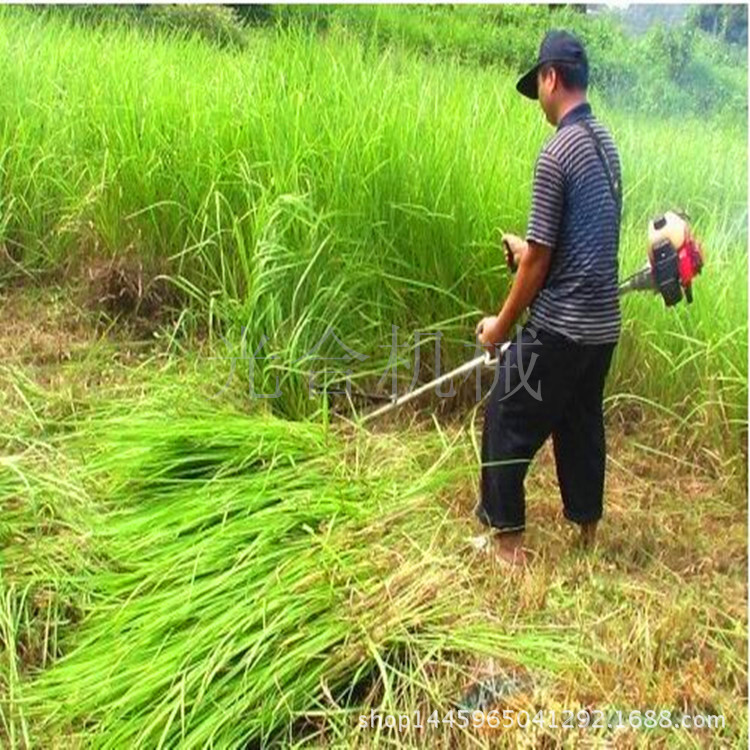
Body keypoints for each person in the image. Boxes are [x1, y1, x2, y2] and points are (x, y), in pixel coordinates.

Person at [475, 29, 622, 566]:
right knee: (579, 421)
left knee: (505, 415)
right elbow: (575, 246)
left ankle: (506, 545)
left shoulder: (556, 151)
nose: (537, 96)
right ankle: (587, 536)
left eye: (536, 82)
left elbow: (541, 261)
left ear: (551, 78)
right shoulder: (605, 146)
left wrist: (500, 328)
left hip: (561, 325)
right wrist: (525, 248)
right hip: (602, 326)